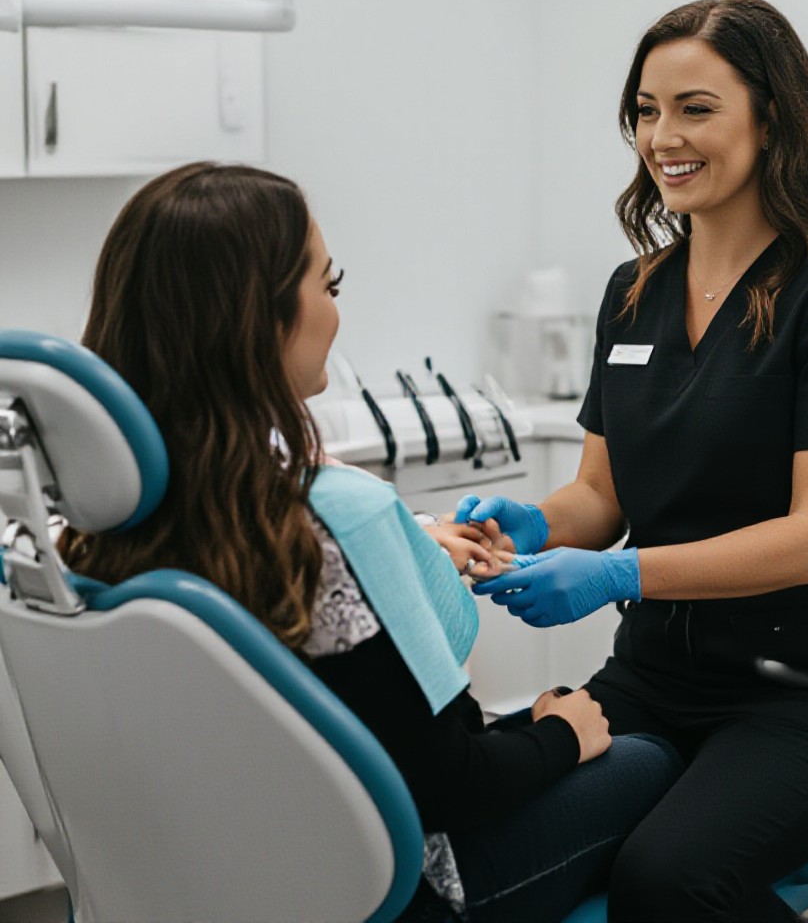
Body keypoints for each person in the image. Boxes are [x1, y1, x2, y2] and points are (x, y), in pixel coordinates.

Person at [56, 161, 682, 923]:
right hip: (385, 887)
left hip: (214, 867)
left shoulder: (101, 523)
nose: (336, 311)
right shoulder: (335, 519)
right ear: (260, 318)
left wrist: (413, 545)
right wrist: (560, 737)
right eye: (331, 285)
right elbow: (453, 783)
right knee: (645, 759)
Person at [458, 0, 808, 923]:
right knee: (472, 847)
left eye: (695, 108)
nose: (664, 136)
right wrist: (535, 522)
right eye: (647, 111)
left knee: (664, 882)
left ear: (771, 116)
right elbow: (598, 495)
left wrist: (617, 573)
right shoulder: (635, 292)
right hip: (650, 681)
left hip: (805, 704)